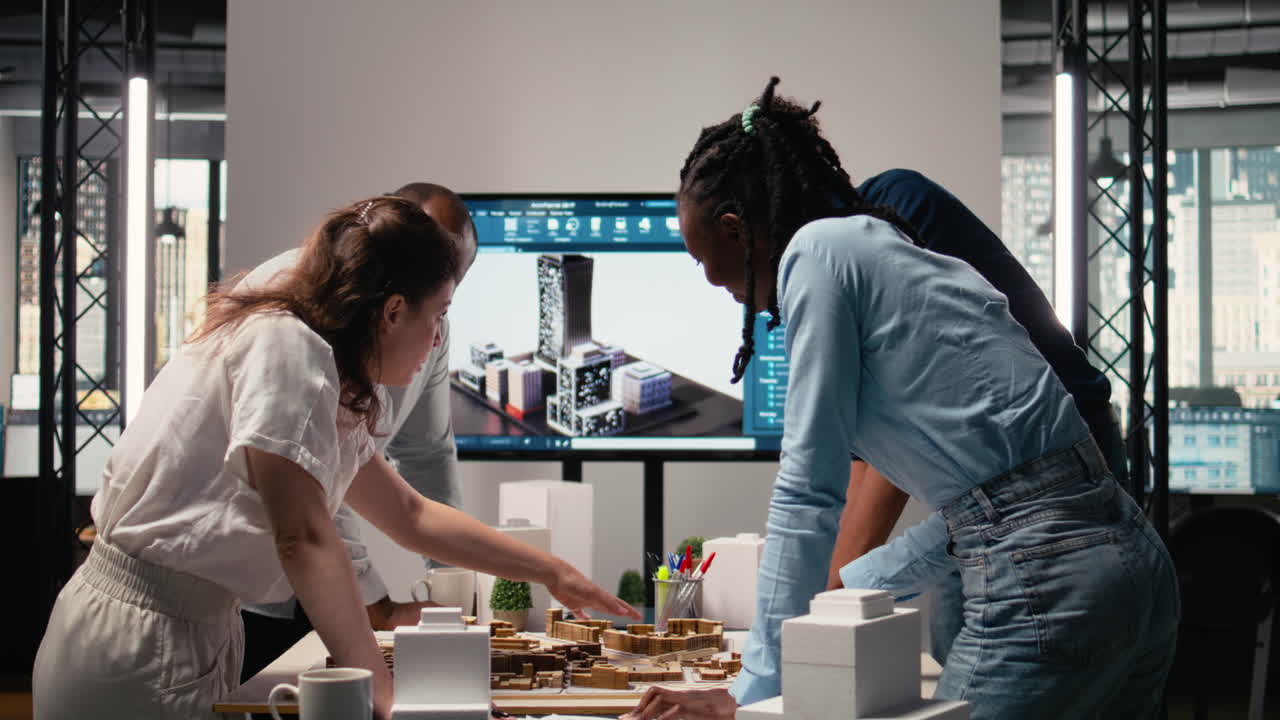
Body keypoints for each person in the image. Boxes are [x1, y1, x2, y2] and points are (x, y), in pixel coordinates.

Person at [624, 78, 1176, 720]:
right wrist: (853, 587)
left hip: (1045, 589)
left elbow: (809, 491)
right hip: (1134, 564)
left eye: (702, 262)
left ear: (734, 228)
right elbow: (997, 509)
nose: (714, 282)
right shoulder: (890, 249)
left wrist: (754, 688)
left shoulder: (816, 250)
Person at [33, 196, 637, 720]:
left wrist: (551, 571)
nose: (436, 341)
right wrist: (383, 691)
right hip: (140, 641)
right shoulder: (288, 349)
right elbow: (304, 537)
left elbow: (409, 513)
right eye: (440, 316)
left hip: (190, 628)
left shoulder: (323, 363)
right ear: (394, 309)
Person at [824, 168, 1134, 666]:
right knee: (958, 671)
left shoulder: (889, 215)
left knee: (1001, 682)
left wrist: (825, 602)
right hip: (978, 498)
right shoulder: (842, 264)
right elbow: (868, 461)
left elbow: (902, 433)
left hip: (1057, 479)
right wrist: (828, 594)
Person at [237, 183, 479, 681]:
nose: (437, 332)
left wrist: (454, 582)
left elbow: (423, 467)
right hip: (255, 586)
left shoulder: (426, 324)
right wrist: (378, 607)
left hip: (314, 566)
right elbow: (311, 521)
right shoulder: (298, 323)